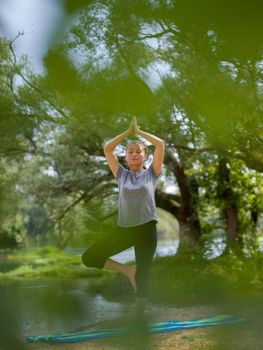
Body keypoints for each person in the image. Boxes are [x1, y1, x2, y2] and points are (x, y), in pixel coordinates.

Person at [82, 116, 165, 319]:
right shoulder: (121, 175)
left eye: (139, 151)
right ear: (126, 157)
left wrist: (140, 132)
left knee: (143, 274)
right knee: (89, 257)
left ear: (145, 156)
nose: (135, 154)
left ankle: (138, 318)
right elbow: (108, 149)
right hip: (125, 230)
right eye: (131, 152)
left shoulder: (152, 174)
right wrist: (128, 133)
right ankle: (128, 271)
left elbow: (160, 144)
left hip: (146, 229)